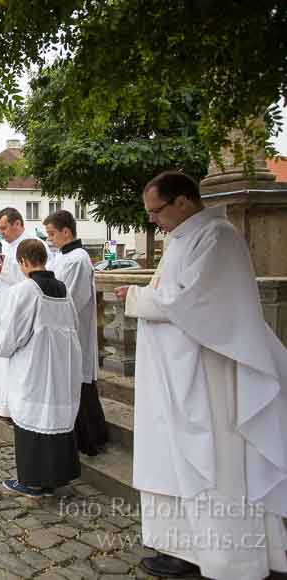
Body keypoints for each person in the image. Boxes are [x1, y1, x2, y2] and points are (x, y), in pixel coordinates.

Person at [114, 171, 287, 580]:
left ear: (183, 201)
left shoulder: (218, 237)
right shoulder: (182, 239)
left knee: (212, 464)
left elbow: (193, 302)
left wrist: (136, 296)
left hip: (206, 380)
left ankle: (229, 558)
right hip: (174, 378)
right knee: (174, 464)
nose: (153, 220)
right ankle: (181, 548)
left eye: (157, 210)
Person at [0, 239, 82, 498]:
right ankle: (56, 478)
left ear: (23, 262)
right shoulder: (63, 290)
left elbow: (12, 332)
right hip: (61, 367)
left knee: (32, 417)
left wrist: (3, 349)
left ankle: (32, 482)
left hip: (33, 367)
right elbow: (74, 325)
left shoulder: (25, 290)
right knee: (55, 417)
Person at [44, 209, 108, 456]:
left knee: (80, 384)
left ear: (66, 231)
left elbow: (69, 297)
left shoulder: (77, 259)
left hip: (74, 329)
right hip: (64, 328)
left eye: (52, 234)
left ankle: (90, 439)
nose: (50, 239)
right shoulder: (62, 256)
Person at [0, 207, 51, 418]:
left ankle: (11, 408)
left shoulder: (34, 246)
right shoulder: (4, 246)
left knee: (11, 360)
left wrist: (5, 272)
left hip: (17, 313)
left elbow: (36, 280)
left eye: (4, 228)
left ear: (17, 224)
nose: (1, 232)